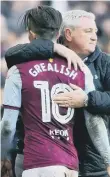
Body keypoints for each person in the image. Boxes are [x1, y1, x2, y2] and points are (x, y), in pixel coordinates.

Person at [4, 9, 110, 177]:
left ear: (31, 34)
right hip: (60, 161)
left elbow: (7, 124)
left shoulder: (104, 63)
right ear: (66, 33)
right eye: (88, 31)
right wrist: (55, 47)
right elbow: (11, 54)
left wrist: (87, 99)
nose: (95, 37)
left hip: (83, 163)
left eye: (95, 32)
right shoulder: (72, 67)